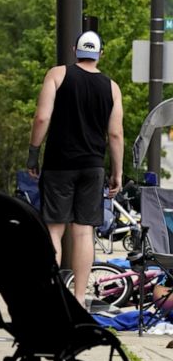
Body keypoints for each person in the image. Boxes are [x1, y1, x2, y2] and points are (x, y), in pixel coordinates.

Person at [27, 30, 124, 308]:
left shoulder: (57, 75)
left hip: (59, 164)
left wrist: (33, 153)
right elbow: (115, 134)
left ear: (74, 50)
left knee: (54, 232)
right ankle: (79, 298)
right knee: (84, 233)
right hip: (93, 167)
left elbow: (42, 116)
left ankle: (49, 297)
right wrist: (116, 172)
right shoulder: (111, 87)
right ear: (100, 54)